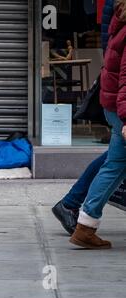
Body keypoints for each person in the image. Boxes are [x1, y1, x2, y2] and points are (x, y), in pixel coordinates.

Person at [52, 0, 114, 235]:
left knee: (116, 158)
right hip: (118, 93)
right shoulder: (117, 8)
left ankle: (73, 207)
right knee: (116, 159)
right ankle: (75, 210)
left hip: (116, 91)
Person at [69, 0, 126, 249]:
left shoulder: (119, 19)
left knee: (114, 166)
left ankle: (85, 225)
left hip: (114, 105)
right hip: (121, 108)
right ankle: (84, 224)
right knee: (114, 166)